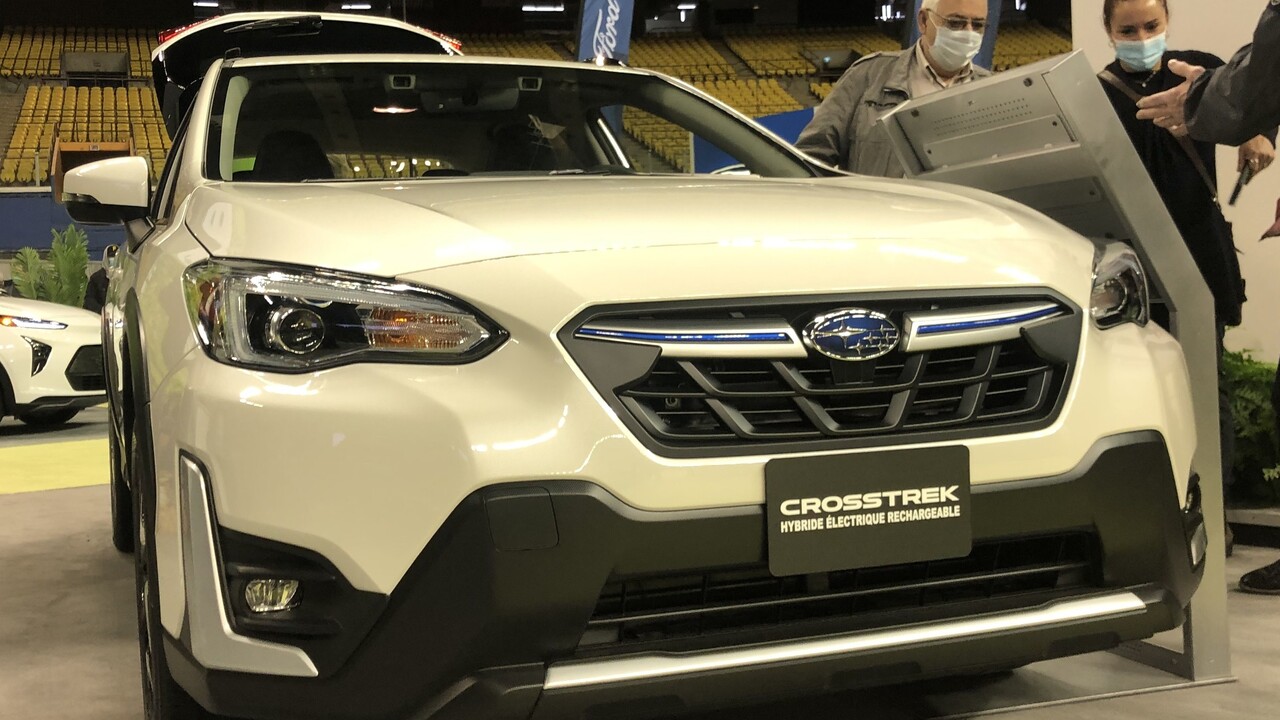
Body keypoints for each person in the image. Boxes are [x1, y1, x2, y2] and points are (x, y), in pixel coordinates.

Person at [795, 0, 991, 176]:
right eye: (955, 23)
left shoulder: (992, 89)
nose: (968, 33)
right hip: (877, 213)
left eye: (978, 25)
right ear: (923, 21)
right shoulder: (868, 75)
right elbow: (810, 158)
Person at [1135, 1, 1280, 145]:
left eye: (1152, 26)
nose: (1142, 40)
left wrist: (1262, 136)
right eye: (1127, 31)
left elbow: (1263, 78)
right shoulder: (1111, 87)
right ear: (1111, 33)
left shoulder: (1200, 62)